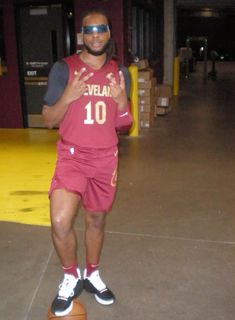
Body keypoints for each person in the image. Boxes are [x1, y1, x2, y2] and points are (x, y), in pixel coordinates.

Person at [42, 8, 132, 317]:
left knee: (96, 220)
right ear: (82, 35)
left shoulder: (120, 73)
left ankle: (92, 273)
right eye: (89, 30)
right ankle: (70, 276)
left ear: (109, 34)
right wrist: (67, 97)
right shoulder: (63, 69)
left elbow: (125, 125)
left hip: (106, 159)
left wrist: (122, 104)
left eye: (101, 29)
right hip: (72, 158)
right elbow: (48, 120)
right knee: (60, 221)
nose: (95, 35)